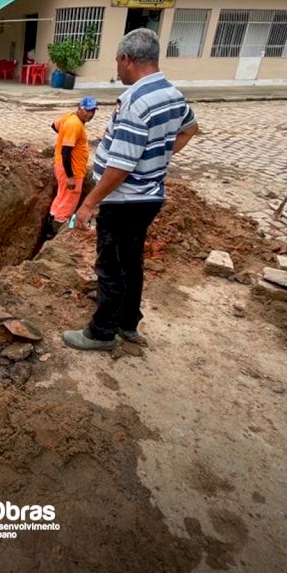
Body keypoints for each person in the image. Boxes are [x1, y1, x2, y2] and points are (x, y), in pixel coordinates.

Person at [62, 28, 198, 352]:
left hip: (124, 200)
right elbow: (190, 129)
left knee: (110, 266)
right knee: (131, 261)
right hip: (150, 196)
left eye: (117, 62)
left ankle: (102, 333)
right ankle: (127, 324)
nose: (117, 69)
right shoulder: (173, 94)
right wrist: (158, 156)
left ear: (127, 59)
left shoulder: (135, 102)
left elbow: (120, 168)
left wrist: (88, 204)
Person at [45, 96, 98, 238]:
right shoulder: (74, 124)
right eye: (87, 110)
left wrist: (64, 134)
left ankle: (49, 229)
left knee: (61, 198)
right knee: (68, 203)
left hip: (64, 167)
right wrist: (70, 177)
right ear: (80, 108)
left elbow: (54, 126)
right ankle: (58, 234)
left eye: (93, 111)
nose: (90, 114)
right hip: (71, 170)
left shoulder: (69, 117)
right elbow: (66, 151)